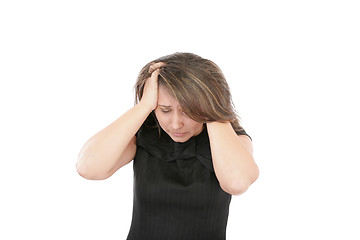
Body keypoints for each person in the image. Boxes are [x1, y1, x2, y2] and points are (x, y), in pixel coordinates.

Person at [76, 52, 259, 240]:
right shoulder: (144, 134)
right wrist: (144, 105)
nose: (176, 124)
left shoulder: (229, 139)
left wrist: (212, 107)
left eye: (189, 111)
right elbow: (88, 167)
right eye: (165, 110)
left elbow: (236, 183)